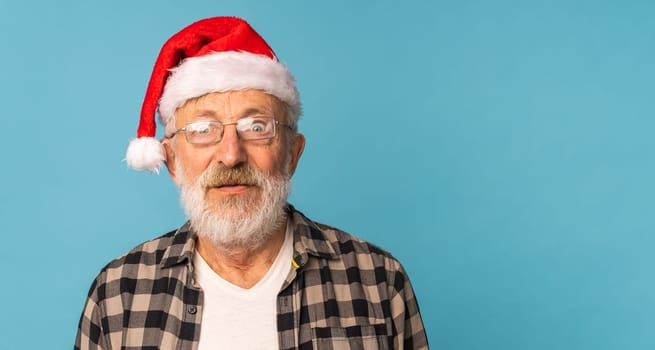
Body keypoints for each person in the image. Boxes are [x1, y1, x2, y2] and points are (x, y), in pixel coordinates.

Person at [75, 16, 428, 350]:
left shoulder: (379, 281)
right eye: (202, 130)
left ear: (292, 154)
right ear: (172, 161)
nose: (231, 155)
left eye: (257, 128)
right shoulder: (119, 292)